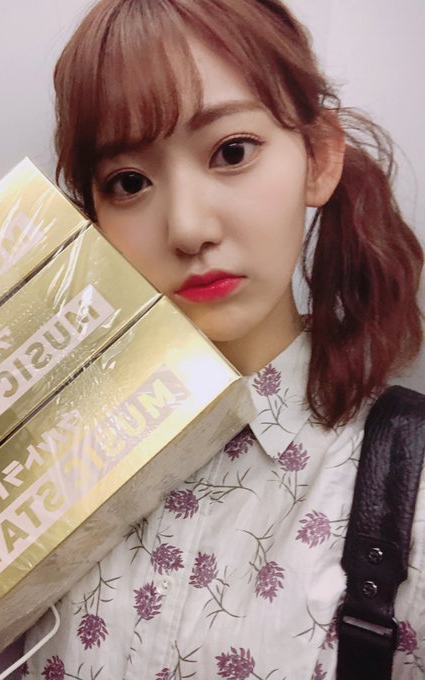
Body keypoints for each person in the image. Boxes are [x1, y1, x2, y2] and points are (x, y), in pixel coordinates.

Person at [23, 1, 424, 678]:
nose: (186, 227)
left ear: (319, 158)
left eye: (231, 152)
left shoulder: (405, 488)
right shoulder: (41, 465)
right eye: (129, 182)